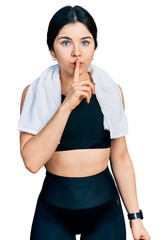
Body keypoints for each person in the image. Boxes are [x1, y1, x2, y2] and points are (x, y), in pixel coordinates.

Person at [18, 5, 150, 240]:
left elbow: (120, 158)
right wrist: (67, 105)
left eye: (85, 42)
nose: (77, 52)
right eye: (66, 42)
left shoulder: (111, 91)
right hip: (53, 211)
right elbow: (32, 162)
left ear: (94, 47)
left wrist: (136, 218)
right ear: (51, 49)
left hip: (105, 212)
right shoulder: (33, 93)